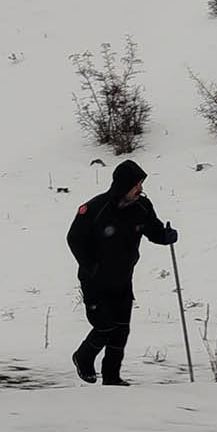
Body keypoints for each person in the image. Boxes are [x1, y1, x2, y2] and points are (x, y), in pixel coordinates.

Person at [67, 160, 177, 386]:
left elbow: (153, 230)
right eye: (136, 185)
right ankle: (83, 357)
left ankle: (112, 378)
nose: (140, 189)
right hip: (95, 281)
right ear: (123, 185)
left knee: (121, 330)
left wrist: (165, 236)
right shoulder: (96, 209)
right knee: (105, 326)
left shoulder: (142, 208)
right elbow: (74, 238)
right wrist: (91, 265)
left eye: (141, 184)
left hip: (123, 279)